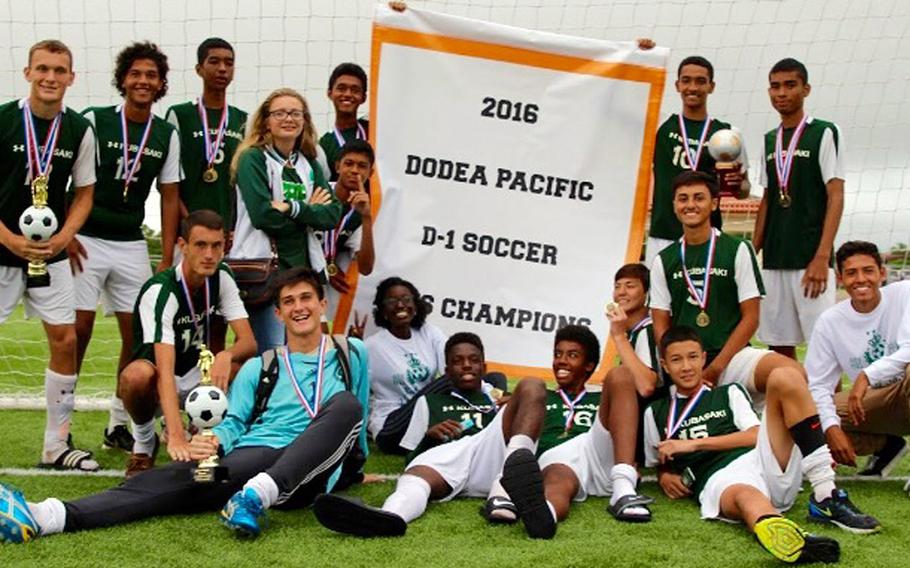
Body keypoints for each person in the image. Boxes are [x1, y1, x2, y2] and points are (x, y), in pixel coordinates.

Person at [0, 267, 369, 543]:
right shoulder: (262, 365)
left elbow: (356, 421)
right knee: (182, 478)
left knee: (346, 404)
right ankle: (46, 515)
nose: (298, 307)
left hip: (309, 474)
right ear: (278, 314)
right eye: (288, 302)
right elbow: (235, 421)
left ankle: (256, 496)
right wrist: (214, 442)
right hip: (254, 461)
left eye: (306, 298)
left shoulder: (351, 352)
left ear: (322, 304)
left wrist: (355, 468)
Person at [644, 327, 879, 564]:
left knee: (785, 375)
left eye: (692, 357)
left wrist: (692, 445)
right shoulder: (655, 412)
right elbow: (658, 459)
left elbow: (755, 436)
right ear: (664, 365)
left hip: (764, 460)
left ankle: (825, 494)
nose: (686, 367)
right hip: (720, 478)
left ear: (704, 358)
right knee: (745, 495)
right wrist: (664, 474)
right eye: (676, 360)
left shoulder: (729, 392)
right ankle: (785, 536)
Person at [71, 41, 181, 454]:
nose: (143, 81)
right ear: (122, 79)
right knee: (77, 331)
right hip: (86, 239)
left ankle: (120, 424)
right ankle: (60, 428)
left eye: (151, 75)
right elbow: (70, 177)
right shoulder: (95, 121)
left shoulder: (165, 134)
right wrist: (66, 234)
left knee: (137, 336)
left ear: (160, 84)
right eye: (136, 73)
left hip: (132, 242)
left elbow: (169, 197)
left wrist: (167, 256)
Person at [0, 40, 97, 470]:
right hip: (2, 249)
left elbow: (85, 192)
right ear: (27, 73)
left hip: (50, 255)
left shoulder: (79, 129)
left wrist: (64, 237)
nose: (51, 77)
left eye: (60, 70)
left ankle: (55, 446)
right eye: (43, 68)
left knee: (66, 339)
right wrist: (9, 239)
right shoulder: (3, 119)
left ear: (71, 78)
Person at [650, 170, 804, 409]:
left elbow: (751, 318)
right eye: (683, 199)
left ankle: (804, 445)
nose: (690, 204)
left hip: (732, 357)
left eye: (698, 198)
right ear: (674, 205)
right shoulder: (664, 259)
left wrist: (715, 369)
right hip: (686, 363)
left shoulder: (738, 249)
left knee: (792, 374)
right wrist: (678, 365)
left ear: (714, 203)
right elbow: (660, 325)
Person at [119, 210, 256, 477]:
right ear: (183, 247)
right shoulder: (161, 290)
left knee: (246, 368)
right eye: (200, 245)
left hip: (197, 372)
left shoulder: (222, 276)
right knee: (135, 376)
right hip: (158, 377)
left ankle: (210, 434)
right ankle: (145, 444)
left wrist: (227, 355)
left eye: (216, 246)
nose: (209, 254)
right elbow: (165, 371)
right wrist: (176, 434)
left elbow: (248, 341)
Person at [228, 88, 342, 353]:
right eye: (279, 113)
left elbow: (332, 214)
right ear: (266, 120)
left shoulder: (309, 164)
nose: (287, 118)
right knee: (272, 352)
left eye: (295, 113)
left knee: (302, 350)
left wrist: (291, 208)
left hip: (302, 271)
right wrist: (309, 212)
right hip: (265, 274)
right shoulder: (253, 159)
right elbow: (262, 215)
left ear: (305, 121)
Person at [752, 58, 844, 360]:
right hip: (775, 259)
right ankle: (792, 408)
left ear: (805, 89)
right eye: (775, 86)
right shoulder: (768, 139)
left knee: (823, 347)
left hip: (810, 261)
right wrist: (754, 252)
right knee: (778, 346)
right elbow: (767, 198)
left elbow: (836, 194)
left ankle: (828, 408)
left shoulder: (824, 132)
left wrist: (821, 256)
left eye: (790, 85)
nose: (782, 92)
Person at [806, 241, 910, 480]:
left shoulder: (905, 294)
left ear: (882, 274)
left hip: (904, 388)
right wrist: (831, 429)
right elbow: (817, 386)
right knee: (805, 420)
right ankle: (887, 446)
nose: (861, 279)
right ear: (840, 278)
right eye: (852, 273)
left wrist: (866, 376)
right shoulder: (830, 322)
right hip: (871, 402)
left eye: (868, 271)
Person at [646, 56, 749, 267]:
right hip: (664, 233)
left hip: (709, 236)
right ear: (677, 85)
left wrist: (738, 183)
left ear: (711, 86)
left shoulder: (727, 134)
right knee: (660, 299)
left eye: (701, 81)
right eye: (686, 80)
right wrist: (640, 52)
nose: (693, 87)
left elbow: (743, 191)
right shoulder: (661, 125)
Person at [599, 262, 669, 519]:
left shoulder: (648, 329)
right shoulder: (635, 329)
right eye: (617, 286)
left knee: (619, 378)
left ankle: (627, 469)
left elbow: (647, 384)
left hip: (656, 422)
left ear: (647, 292)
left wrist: (618, 336)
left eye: (630, 286)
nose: (622, 292)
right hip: (652, 420)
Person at [165, 37, 247, 228]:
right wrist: (189, 223)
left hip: (228, 232)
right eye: (214, 61)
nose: (222, 68)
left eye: (229, 63)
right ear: (199, 69)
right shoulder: (179, 115)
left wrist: (235, 227)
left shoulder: (242, 120)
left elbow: (244, 185)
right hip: (186, 230)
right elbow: (167, 181)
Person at [399, 332, 504, 460]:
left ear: (484, 368)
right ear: (447, 372)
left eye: (474, 360)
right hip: (445, 472)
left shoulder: (499, 402)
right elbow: (410, 461)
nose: (466, 365)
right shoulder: (428, 402)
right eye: (457, 361)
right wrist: (428, 440)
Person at [309, 139, 375, 323]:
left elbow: (366, 267)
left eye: (362, 166)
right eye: (349, 163)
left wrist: (366, 217)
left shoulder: (359, 211)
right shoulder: (317, 191)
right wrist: (326, 266)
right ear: (337, 166)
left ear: (370, 173)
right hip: (302, 273)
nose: (355, 170)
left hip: (325, 288)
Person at [318, 63, 369, 182]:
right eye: (341, 88)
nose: (347, 94)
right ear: (330, 93)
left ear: (363, 97)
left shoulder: (374, 132)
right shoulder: (324, 145)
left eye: (355, 90)